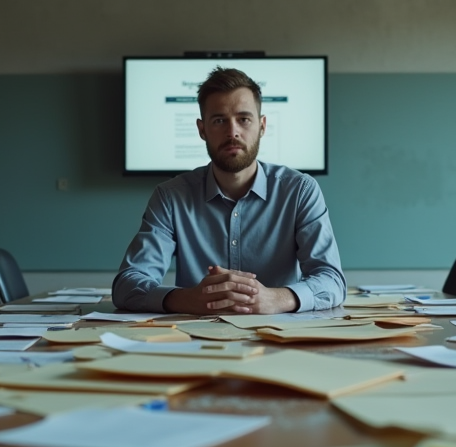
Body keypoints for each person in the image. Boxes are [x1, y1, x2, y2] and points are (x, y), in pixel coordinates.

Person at [112, 67, 345, 314]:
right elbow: (127, 284)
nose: (232, 132)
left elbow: (331, 280)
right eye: (219, 120)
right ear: (202, 130)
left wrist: (276, 299)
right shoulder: (171, 197)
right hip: (195, 340)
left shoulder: (300, 191)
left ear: (262, 126)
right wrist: (187, 300)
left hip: (281, 336)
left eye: (244, 119)